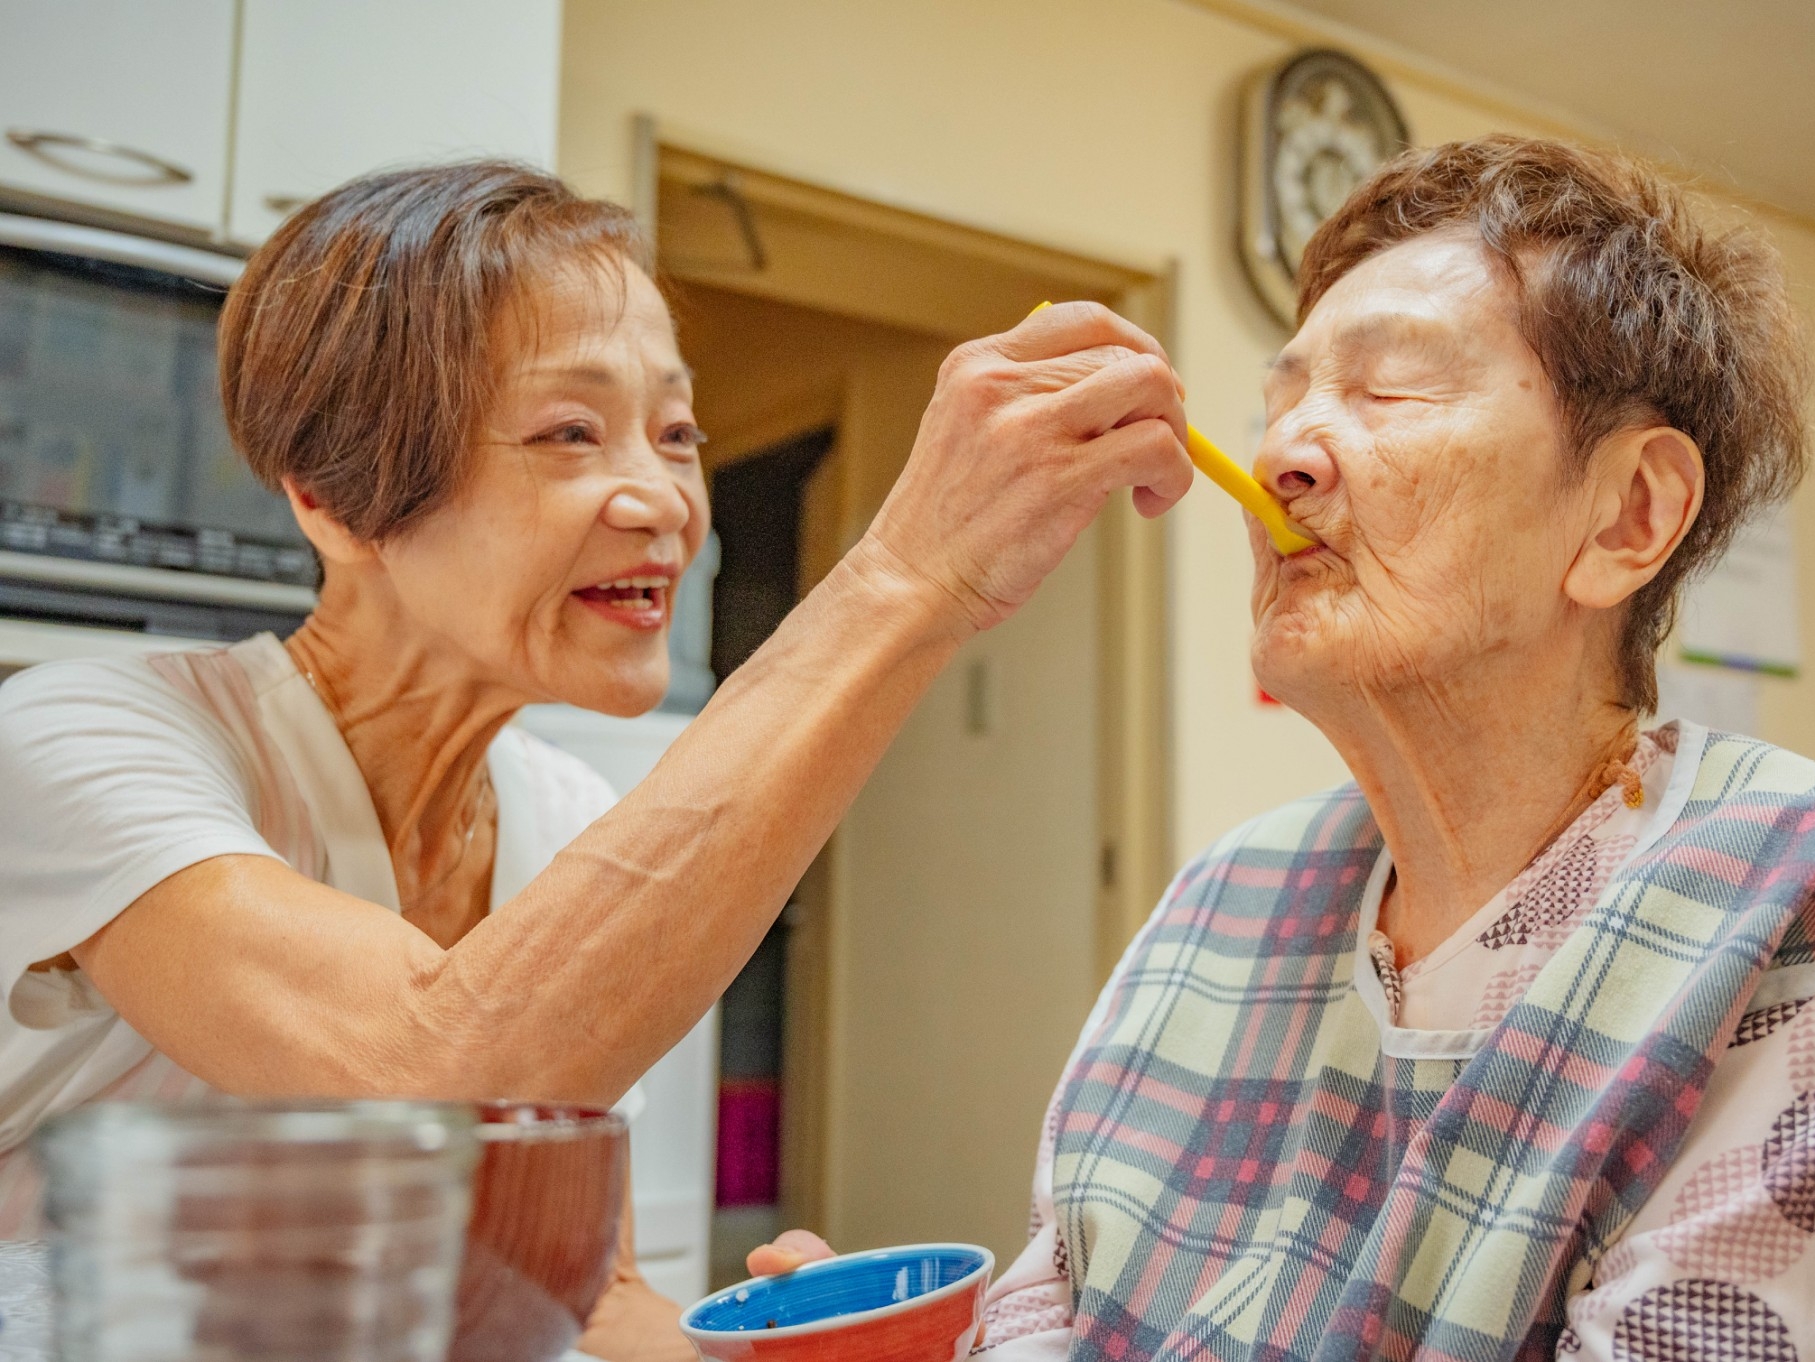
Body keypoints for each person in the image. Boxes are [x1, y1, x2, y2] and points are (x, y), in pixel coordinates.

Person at [759, 135, 1815, 1360]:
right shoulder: (1225, 896)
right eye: (1281, 401)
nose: (1278, 458)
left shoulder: (1795, 920)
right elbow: (1060, 1300)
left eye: (1385, 388)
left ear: (1627, 513)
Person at [0, 162, 1191, 1359]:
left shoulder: (560, 810)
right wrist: (903, 580)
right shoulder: (86, 739)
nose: (663, 501)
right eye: (570, 431)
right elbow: (425, 1078)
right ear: (333, 500)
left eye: (675, 434)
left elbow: (582, 1296)